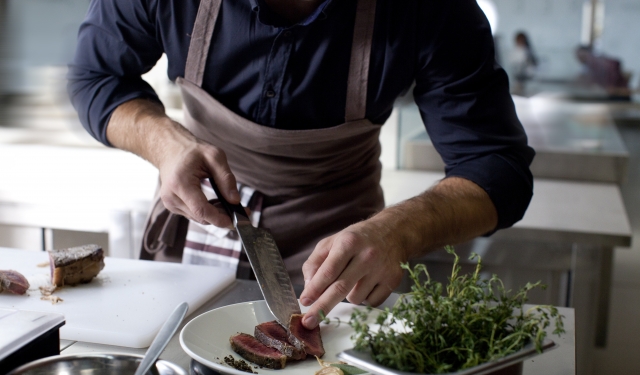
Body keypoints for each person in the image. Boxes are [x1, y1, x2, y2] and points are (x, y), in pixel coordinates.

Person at [67, 0, 534, 330]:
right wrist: (164, 142)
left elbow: (497, 166)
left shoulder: (427, 8)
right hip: (200, 227)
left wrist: (397, 232)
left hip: (341, 261)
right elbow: (96, 75)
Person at [509, 31, 537, 95]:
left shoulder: (527, 52)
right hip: (517, 78)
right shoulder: (514, 52)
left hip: (526, 79)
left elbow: (531, 68)